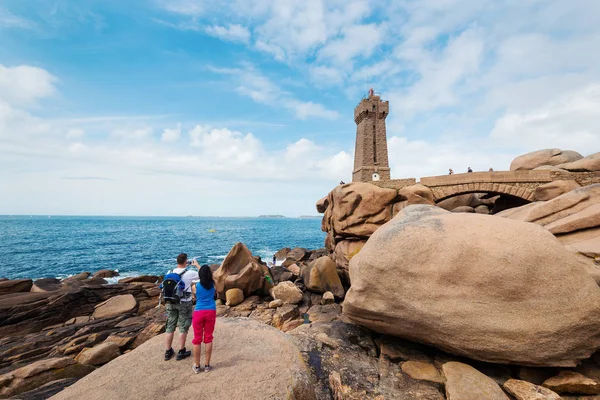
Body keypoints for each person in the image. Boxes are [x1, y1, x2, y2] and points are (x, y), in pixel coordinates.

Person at [164, 253, 199, 361]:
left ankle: (168, 351)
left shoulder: (169, 272)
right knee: (183, 327)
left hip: (170, 302)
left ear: (177, 261)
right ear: (186, 262)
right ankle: (181, 351)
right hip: (184, 303)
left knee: (170, 326)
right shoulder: (189, 273)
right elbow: (203, 274)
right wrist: (196, 265)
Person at [191, 265, 217, 374]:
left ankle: (197, 366)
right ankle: (207, 365)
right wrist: (198, 265)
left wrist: (197, 265)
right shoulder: (214, 284)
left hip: (198, 312)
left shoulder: (195, 287)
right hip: (211, 311)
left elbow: (195, 297)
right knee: (208, 338)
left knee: (197, 339)